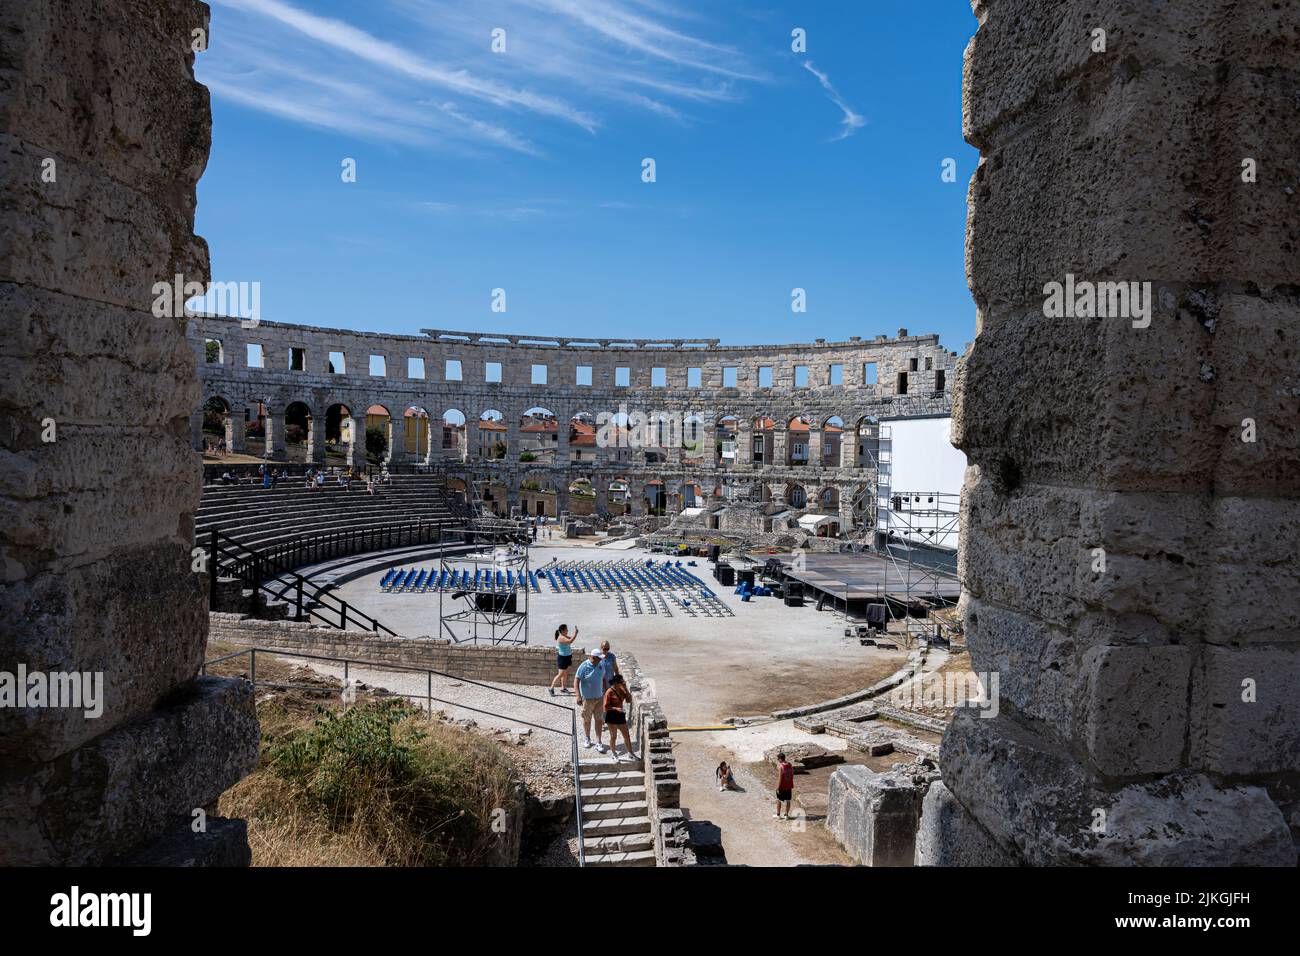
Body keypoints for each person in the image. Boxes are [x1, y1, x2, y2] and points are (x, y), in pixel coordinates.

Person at [574, 649, 608, 752]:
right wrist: (578, 696)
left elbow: (602, 678)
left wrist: (606, 691)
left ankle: (598, 741)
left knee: (599, 720)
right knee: (587, 719)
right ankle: (587, 738)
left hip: (599, 698)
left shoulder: (600, 664)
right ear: (593, 657)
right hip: (587, 699)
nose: (600, 660)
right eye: (599, 658)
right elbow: (576, 681)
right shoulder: (584, 666)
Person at [603, 673, 636, 761]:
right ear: (616, 683)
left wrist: (625, 688)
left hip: (620, 715)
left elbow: (628, 700)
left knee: (627, 735)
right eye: (622, 682)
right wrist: (616, 708)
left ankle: (630, 753)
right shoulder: (609, 692)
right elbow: (605, 707)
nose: (623, 683)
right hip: (611, 716)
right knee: (613, 736)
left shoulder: (622, 689)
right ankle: (614, 754)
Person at [549, 624, 576, 696]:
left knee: (565, 674)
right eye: (566, 629)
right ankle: (551, 688)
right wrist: (575, 633)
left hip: (568, 657)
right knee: (560, 674)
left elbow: (570, 638)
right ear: (562, 631)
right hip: (562, 658)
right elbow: (570, 641)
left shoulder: (564, 636)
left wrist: (574, 635)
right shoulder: (561, 638)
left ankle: (563, 688)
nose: (567, 630)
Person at [774, 753, 794, 820]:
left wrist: (777, 788)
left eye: (778, 759)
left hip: (782, 786)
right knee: (788, 801)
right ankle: (786, 815)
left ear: (780, 759)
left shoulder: (781, 767)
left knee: (779, 800)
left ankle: (778, 815)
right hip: (789, 786)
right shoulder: (790, 764)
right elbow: (792, 774)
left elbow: (780, 778)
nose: (778, 760)